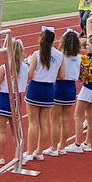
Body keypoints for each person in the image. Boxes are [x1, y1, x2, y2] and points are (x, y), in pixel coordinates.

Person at [24, 27, 63, 160]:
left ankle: (29, 152)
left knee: (33, 122)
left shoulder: (36, 54)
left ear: (41, 38)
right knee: (44, 122)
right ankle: (39, 152)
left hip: (35, 88)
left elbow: (29, 74)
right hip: (49, 90)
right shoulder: (59, 55)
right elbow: (62, 75)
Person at [0, 37, 26, 165]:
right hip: (17, 99)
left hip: (4, 99)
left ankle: (0, 157)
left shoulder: (4, 68)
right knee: (16, 130)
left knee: (1, 130)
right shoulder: (25, 67)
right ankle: (20, 156)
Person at [69, 34, 92, 153]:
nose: (87, 47)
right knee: (89, 117)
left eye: (88, 44)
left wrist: (83, 71)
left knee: (78, 116)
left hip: (89, 89)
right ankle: (87, 143)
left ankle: (78, 144)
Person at [51, 29, 82, 153]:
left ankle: (53, 147)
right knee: (65, 120)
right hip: (71, 88)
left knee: (54, 120)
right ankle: (62, 146)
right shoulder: (79, 57)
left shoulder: (60, 55)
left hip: (59, 86)